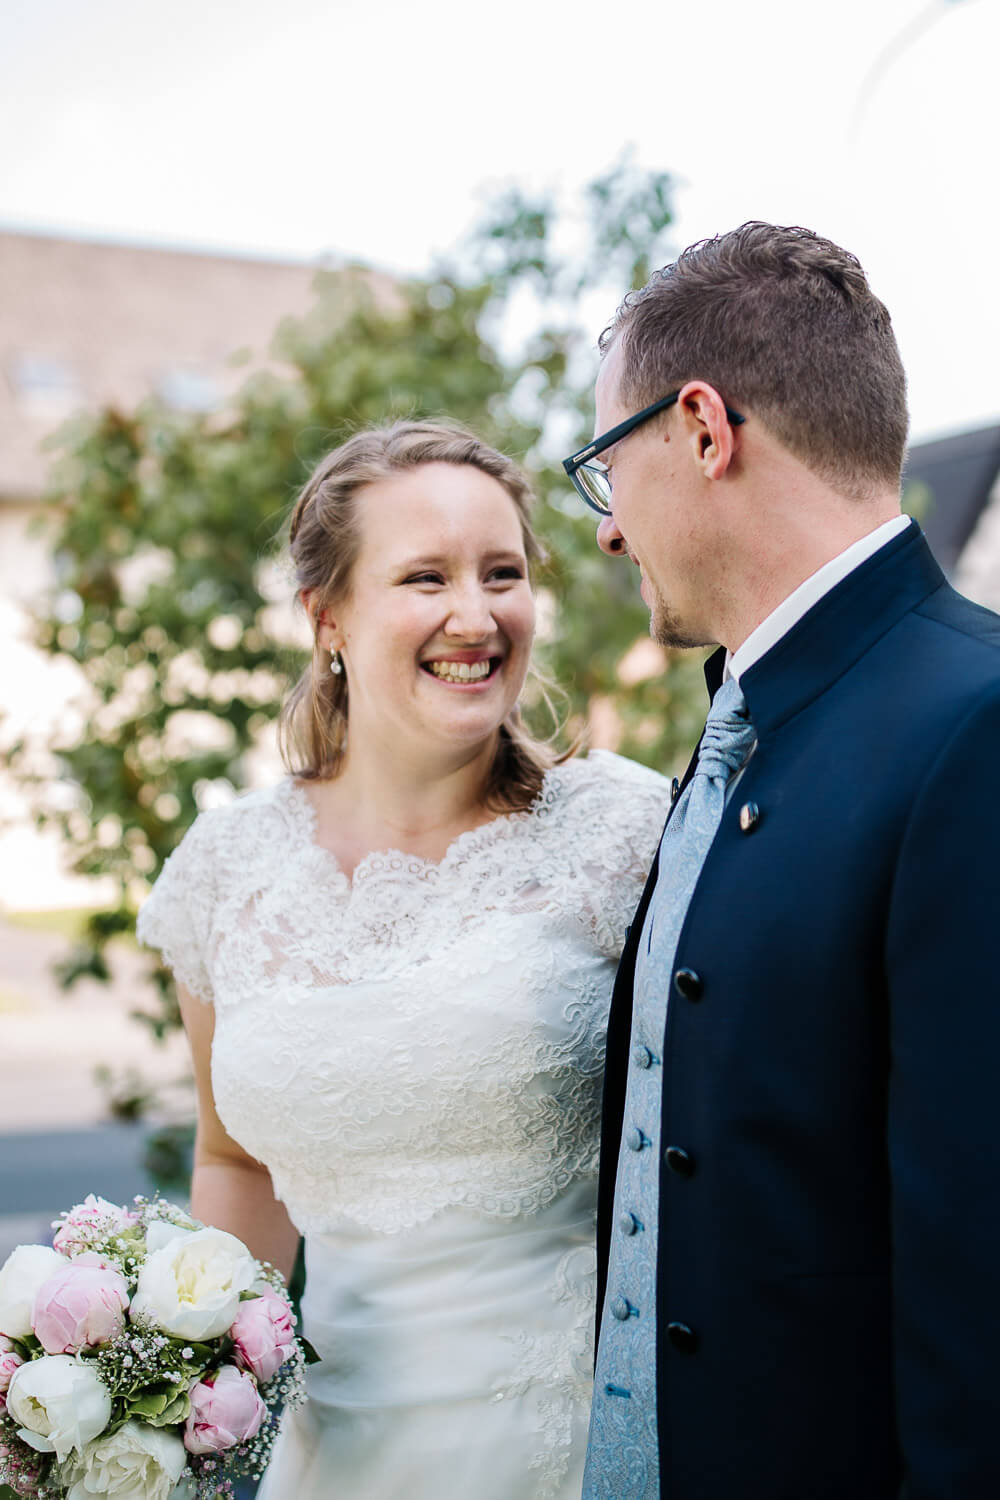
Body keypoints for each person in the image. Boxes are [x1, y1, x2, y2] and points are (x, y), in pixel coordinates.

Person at [136, 419, 668, 1499]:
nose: (474, 617)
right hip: (332, 1454)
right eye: (425, 577)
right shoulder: (224, 865)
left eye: (502, 574)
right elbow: (235, 1163)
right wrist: (177, 1406)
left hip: (567, 1446)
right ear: (326, 618)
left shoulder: (625, 831)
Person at [563, 223, 1000, 1498]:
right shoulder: (746, 723)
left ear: (702, 429)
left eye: (608, 467)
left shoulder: (975, 725)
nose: (605, 533)